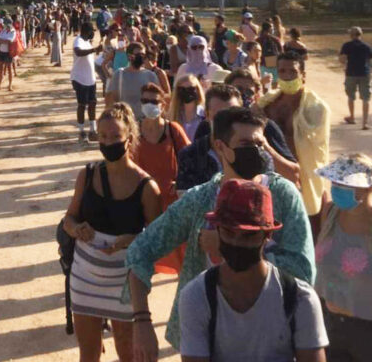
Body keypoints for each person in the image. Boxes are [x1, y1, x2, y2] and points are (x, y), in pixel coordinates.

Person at [126, 106, 316, 359]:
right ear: (221, 147)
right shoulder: (200, 200)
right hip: (206, 340)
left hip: (272, 338)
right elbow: (140, 251)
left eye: (260, 143)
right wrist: (141, 322)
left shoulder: (283, 195)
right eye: (246, 143)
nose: (257, 151)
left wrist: (229, 249)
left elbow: (303, 270)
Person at [179, 179, 328, 362]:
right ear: (217, 229)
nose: (236, 242)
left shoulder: (299, 299)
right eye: (229, 232)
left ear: (268, 235)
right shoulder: (196, 297)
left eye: (248, 236)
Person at [62, 103, 162, 362]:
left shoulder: (147, 188)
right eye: (102, 136)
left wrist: (132, 241)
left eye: (114, 137)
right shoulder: (87, 174)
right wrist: (76, 229)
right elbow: (68, 219)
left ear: (129, 139)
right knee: (89, 353)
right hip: (84, 278)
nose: (107, 142)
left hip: (125, 283)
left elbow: (158, 241)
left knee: (127, 353)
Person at [258, 51, 331, 228]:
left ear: (303, 75)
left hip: (303, 178)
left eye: (293, 72)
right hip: (271, 176)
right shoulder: (268, 103)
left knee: (309, 228)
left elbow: (315, 148)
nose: (288, 76)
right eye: (282, 71)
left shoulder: (316, 109)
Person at [315, 154, 372, 362]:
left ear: (368, 188)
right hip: (328, 325)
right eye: (335, 181)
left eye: (346, 184)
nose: (338, 187)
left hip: (366, 330)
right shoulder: (330, 212)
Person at [132, 83, 190, 275]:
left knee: (180, 257)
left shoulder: (173, 130)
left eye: (154, 101)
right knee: (145, 257)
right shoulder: (133, 132)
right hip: (143, 206)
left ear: (163, 104)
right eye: (145, 101)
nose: (149, 105)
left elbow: (191, 161)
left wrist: (181, 183)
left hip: (172, 206)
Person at [225, 68, 301, 185]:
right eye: (238, 90)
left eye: (249, 92)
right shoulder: (210, 126)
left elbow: (293, 175)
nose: (243, 95)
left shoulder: (267, 127)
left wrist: (264, 145)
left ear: (256, 97)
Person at [105, 43, 159, 120]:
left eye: (143, 54)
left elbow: (158, 99)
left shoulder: (151, 75)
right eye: (138, 54)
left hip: (145, 121)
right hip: (125, 120)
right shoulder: (119, 74)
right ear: (129, 56)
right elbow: (110, 100)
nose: (141, 57)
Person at [72, 22, 104, 142]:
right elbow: (78, 52)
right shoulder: (78, 40)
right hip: (80, 79)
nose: (93, 34)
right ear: (87, 31)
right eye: (92, 31)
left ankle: (92, 131)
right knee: (82, 105)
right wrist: (93, 49)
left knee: (92, 104)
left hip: (90, 79)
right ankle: (81, 132)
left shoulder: (87, 42)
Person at [340, 26, 372, 129]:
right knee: (366, 98)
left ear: (351, 35)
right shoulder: (367, 46)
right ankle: (365, 123)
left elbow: (342, 59)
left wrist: (344, 65)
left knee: (351, 96)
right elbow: (369, 60)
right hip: (364, 73)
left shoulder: (347, 45)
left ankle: (352, 117)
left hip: (351, 73)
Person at [168, 74, 205, 142]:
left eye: (191, 89)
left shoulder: (205, 115)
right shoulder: (172, 115)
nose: (187, 92)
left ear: (197, 90)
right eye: (182, 89)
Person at [0, 18, 16, 91]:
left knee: (9, 68)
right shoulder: (3, 30)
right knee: (1, 68)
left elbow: (10, 41)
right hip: (2, 51)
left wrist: (2, 40)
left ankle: (10, 85)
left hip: (9, 52)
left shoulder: (13, 31)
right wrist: (3, 40)